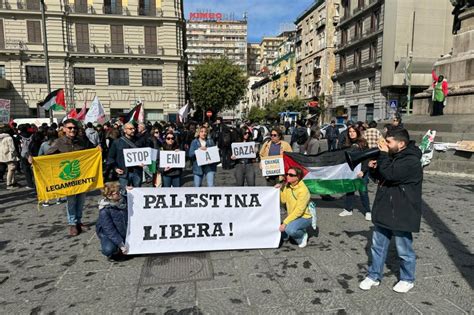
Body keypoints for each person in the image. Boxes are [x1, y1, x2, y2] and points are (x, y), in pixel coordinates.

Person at [359, 127, 422, 293]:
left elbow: (392, 175)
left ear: (401, 143)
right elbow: (382, 177)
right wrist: (373, 169)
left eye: (388, 141)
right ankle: (374, 276)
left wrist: (383, 157)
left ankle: (407, 279)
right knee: (377, 247)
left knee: (404, 249)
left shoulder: (411, 160)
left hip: (402, 211)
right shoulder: (392, 156)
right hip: (385, 208)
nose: (384, 144)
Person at [47, 119, 93, 236]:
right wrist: (34, 160)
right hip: (68, 178)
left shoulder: (81, 141)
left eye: (74, 128)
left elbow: (91, 151)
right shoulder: (59, 142)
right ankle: (72, 223)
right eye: (70, 128)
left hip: (82, 176)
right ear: (64, 129)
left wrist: (98, 149)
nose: (73, 130)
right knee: (71, 201)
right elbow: (47, 156)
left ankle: (79, 221)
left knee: (81, 200)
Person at [339, 126, 372, 220]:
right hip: (350, 172)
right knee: (349, 191)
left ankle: (368, 211)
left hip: (361, 172)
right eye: (350, 131)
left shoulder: (363, 143)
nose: (351, 133)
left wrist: (363, 171)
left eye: (353, 131)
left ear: (357, 132)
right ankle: (348, 209)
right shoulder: (346, 143)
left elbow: (367, 158)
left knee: (363, 192)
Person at [275, 167, 312, 248]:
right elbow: (284, 200)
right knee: (283, 230)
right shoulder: (288, 185)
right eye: (287, 174)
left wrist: (285, 223)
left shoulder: (303, 190)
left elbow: (299, 211)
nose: (288, 176)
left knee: (290, 230)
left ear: (298, 177)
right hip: (293, 216)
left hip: (304, 217)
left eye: (291, 175)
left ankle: (302, 236)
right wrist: (280, 190)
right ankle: (296, 229)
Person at [95, 182, 129, 261]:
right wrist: (121, 245)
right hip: (110, 234)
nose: (119, 193)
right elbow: (110, 230)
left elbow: (131, 196)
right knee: (108, 249)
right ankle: (114, 251)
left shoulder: (122, 200)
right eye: (116, 193)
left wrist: (128, 190)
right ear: (109, 196)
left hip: (124, 230)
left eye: (119, 191)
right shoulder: (104, 211)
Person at [107, 123, 144, 190]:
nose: (133, 130)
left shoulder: (140, 141)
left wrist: (144, 162)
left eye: (134, 128)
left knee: (137, 193)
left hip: (137, 172)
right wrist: (115, 168)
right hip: (124, 173)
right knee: (123, 193)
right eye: (130, 129)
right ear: (124, 130)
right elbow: (110, 157)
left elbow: (144, 154)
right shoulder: (117, 142)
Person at [0, 125, 19, 190]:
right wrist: (15, 155)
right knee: (11, 169)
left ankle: (13, 182)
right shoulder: (9, 138)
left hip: (2, 156)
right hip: (10, 156)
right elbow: (12, 149)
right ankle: (9, 184)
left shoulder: (1, 137)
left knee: (10, 169)